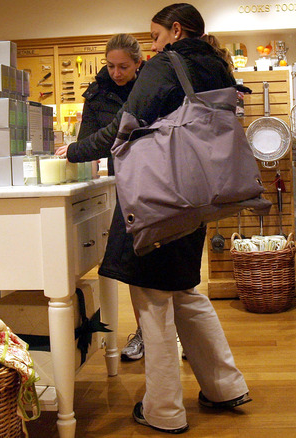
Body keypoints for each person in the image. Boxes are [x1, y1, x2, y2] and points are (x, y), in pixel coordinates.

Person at [62, 3, 251, 434]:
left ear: (176, 30)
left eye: (154, 35)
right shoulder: (219, 67)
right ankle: (224, 386)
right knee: (185, 291)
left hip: (160, 199)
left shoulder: (166, 64)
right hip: (200, 195)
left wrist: (73, 151)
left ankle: (163, 410)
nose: (152, 44)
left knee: (152, 301)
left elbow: (124, 128)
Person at [55, 33, 146, 361]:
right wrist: (80, 155)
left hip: (153, 177)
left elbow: (119, 133)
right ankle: (146, 334)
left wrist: (84, 149)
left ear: (138, 63)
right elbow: (89, 138)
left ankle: (170, 332)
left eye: (123, 66)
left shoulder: (150, 86)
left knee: (159, 262)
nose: (117, 72)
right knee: (133, 262)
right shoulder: (96, 94)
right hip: (120, 180)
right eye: (110, 66)